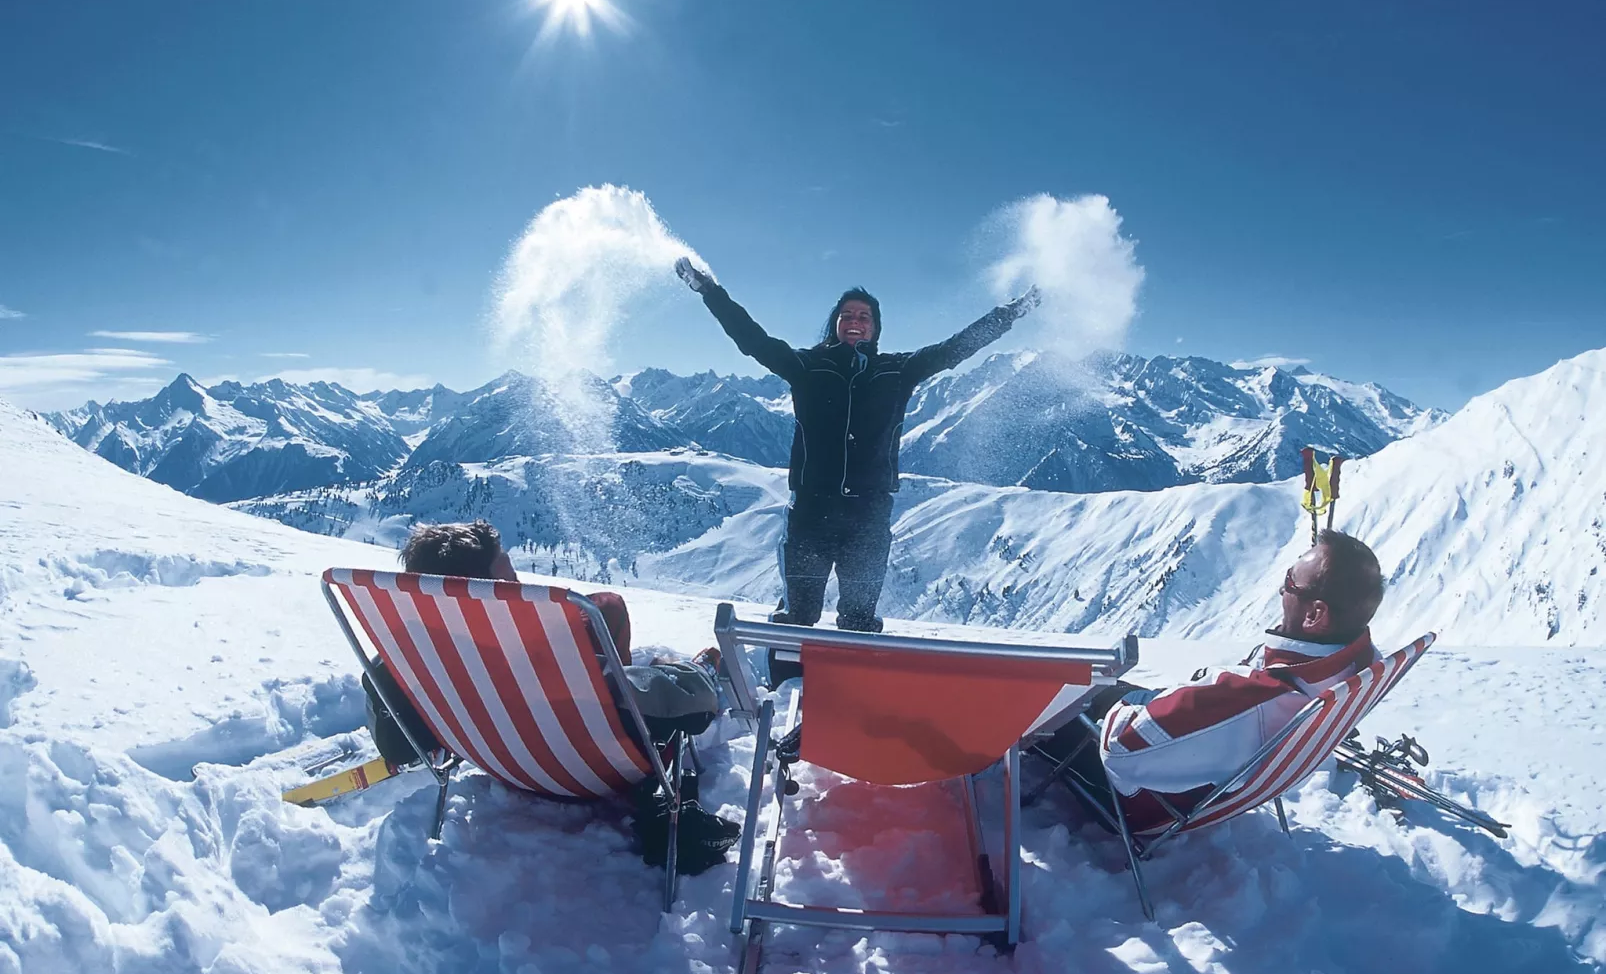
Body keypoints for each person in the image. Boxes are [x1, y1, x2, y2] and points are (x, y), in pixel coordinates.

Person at [676, 257, 1041, 651]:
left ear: (875, 327)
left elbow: (958, 347)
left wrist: (1011, 313)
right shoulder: (806, 366)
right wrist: (710, 291)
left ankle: (851, 696)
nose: (855, 320)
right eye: (847, 314)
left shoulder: (897, 371)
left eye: (864, 316)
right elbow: (753, 340)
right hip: (811, 514)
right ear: (835, 323)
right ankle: (782, 686)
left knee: (859, 622)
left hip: (867, 518)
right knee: (797, 615)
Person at [365, 520, 737, 870]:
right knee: (652, 663)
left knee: (604, 612)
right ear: (483, 592)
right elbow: (693, 704)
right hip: (598, 769)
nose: (518, 580)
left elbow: (399, 745)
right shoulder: (549, 655)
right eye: (508, 576)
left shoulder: (422, 657)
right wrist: (692, 676)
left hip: (499, 760)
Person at [1040, 529, 1387, 834]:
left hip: (1140, 804)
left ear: (1314, 614)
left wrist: (1129, 704)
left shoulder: (1255, 698)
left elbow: (1120, 748)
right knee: (1104, 689)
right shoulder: (1350, 667)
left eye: (1291, 581)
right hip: (1211, 769)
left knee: (1052, 702)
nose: (1283, 589)